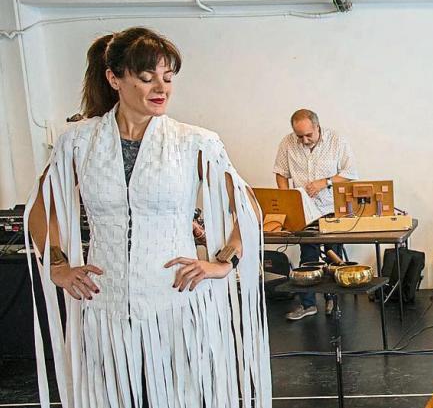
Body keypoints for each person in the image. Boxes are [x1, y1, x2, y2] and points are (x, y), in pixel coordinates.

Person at [25, 27, 271, 408]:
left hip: (175, 306)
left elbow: (248, 207)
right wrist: (57, 265)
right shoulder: (78, 142)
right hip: (105, 309)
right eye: (146, 77)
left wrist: (224, 261)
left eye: (167, 78)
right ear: (114, 79)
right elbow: (42, 208)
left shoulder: (194, 142)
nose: (161, 88)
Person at [273, 109, 357, 319]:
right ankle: (308, 304)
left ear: (317, 127)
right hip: (303, 210)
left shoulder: (337, 140)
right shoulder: (287, 143)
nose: (304, 140)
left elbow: (350, 174)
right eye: (299, 136)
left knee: (333, 256)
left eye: (308, 135)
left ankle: (332, 300)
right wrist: (286, 200)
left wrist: (324, 182)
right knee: (308, 258)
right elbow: (281, 173)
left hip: (331, 209)